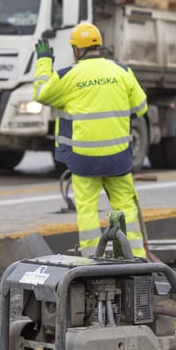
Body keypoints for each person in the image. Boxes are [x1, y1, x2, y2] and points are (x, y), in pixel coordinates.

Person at [32, 22, 148, 259]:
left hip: (84, 159)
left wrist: (44, 61)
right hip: (118, 157)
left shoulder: (68, 76)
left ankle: (91, 257)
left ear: (77, 50)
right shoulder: (121, 71)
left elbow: (41, 93)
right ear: (98, 46)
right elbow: (141, 107)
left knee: (87, 209)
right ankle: (135, 256)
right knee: (125, 206)